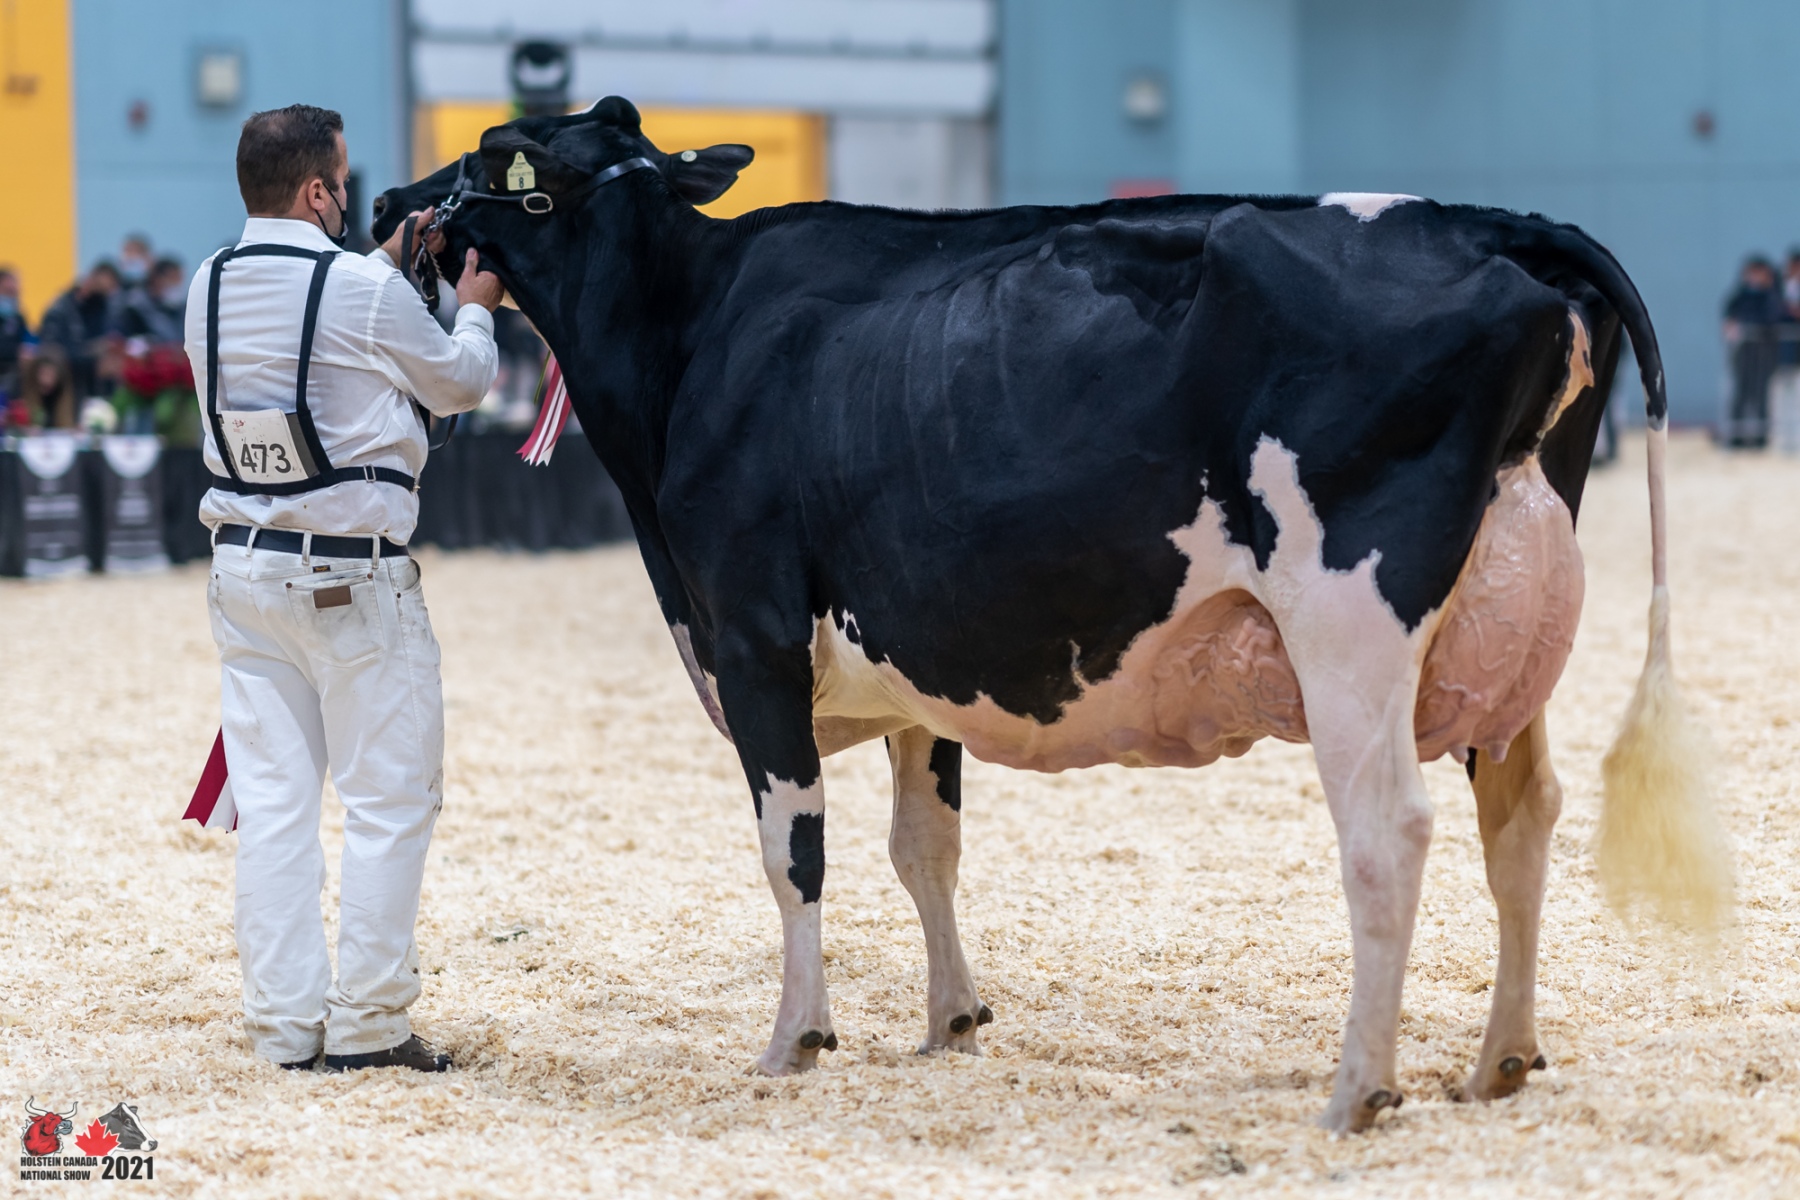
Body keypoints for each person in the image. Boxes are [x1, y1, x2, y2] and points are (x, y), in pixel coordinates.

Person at [188, 103, 501, 1073]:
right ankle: (368, 1027)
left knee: (274, 810)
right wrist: (476, 301)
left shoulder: (207, 282)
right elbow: (458, 382)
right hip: (350, 578)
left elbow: (312, 329)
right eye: (342, 181)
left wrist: (381, 266)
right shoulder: (359, 291)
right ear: (318, 190)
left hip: (242, 572)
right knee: (389, 801)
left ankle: (286, 1031)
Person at [1722, 255, 1782, 448]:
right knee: (1741, 395)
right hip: (1744, 354)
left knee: (1761, 397)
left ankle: (1760, 438)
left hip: (1764, 355)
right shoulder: (1740, 296)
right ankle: (1736, 437)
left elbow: (1771, 319)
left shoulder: (1771, 296)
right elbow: (1729, 314)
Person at [38, 260, 122, 398]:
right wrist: (93, 359)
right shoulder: (60, 310)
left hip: (92, 382)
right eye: (103, 290)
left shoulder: (99, 308)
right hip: (65, 384)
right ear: (91, 281)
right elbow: (54, 353)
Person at [118, 256, 188, 343]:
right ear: (157, 279)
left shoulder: (179, 308)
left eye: (180, 279)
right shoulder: (133, 307)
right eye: (173, 279)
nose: (177, 284)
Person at [16, 344, 77, 429]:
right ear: (35, 374)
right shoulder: (19, 391)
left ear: (59, 376)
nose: (46, 380)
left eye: (51, 375)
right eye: (43, 373)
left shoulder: (65, 394)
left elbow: (68, 425)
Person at [0, 267, 31, 399]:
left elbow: (28, 341)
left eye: (14, 292)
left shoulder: (18, 318)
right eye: (7, 291)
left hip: (13, 376)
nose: (10, 297)